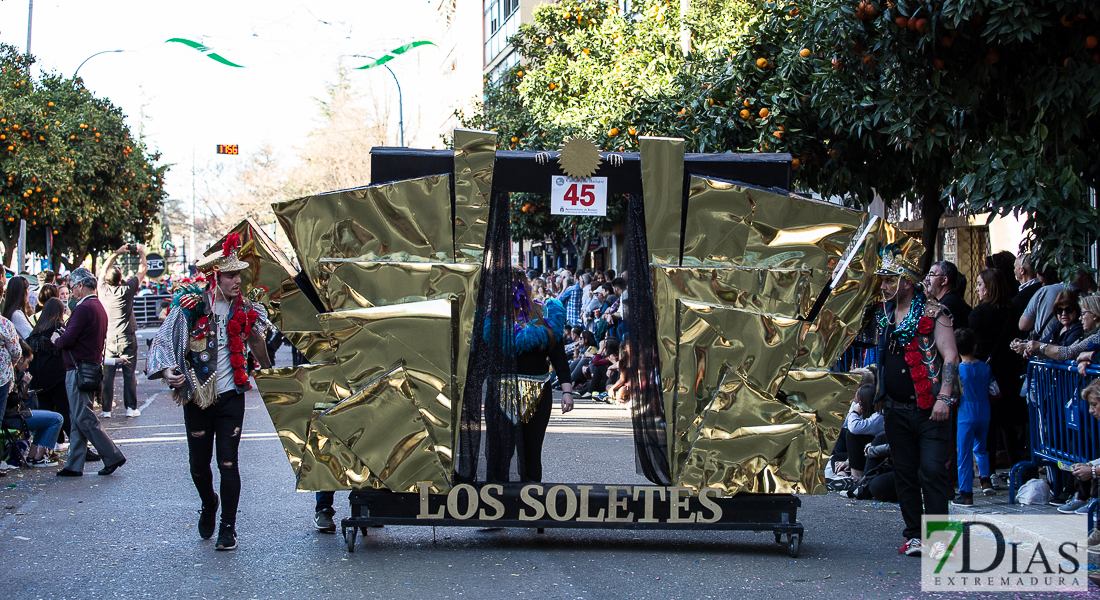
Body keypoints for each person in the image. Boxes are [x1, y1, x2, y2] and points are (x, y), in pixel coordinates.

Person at [147, 233, 271, 551]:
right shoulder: (191, 306)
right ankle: (209, 502)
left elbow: (258, 345)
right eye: (231, 275)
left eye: (239, 274)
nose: (237, 280)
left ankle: (228, 528)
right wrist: (167, 371)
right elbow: (163, 339)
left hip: (232, 396)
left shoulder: (247, 309)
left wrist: (270, 372)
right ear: (216, 277)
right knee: (199, 466)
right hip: (198, 398)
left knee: (228, 463)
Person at [875, 246, 959, 557]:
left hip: (930, 409)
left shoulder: (935, 313)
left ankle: (939, 539)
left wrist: (944, 398)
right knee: (905, 473)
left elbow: (951, 356)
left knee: (932, 471)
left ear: (907, 282)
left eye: (888, 280)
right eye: (882, 280)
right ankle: (913, 534)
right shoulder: (885, 315)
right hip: (895, 409)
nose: (882, 285)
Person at [51, 267, 127, 478]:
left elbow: (67, 340)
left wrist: (56, 339)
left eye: (72, 287)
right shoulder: (97, 306)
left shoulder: (84, 308)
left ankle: (112, 455)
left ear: (80, 286)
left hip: (78, 369)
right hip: (88, 367)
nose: (72, 292)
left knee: (83, 417)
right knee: (77, 417)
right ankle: (74, 465)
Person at [968, 268, 1026, 473]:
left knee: (987, 425)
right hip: (1009, 372)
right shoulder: (1014, 310)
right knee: (1008, 425)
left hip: (986, 374)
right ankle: (1017, 468)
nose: (977, 290)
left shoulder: (980, 313)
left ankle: (988, 472)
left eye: (980, 285)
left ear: (989, 287)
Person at [97, 243, 148, 418]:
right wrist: (141, 252)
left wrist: (116, 253)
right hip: (127, 337)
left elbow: (103, 269)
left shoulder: (102, 290)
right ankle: (130, 407)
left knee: (108, 375)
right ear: (120, 279)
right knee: (129, 374)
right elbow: (142, 270)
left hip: (108, 338)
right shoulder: (127, 290)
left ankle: (106, 410)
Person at [952, 328, 999, 506]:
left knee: (964, 454)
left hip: (965, 414)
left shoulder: (957, 371)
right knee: (982, 447)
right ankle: (986, 480)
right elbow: (995, 390)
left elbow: (954, 394)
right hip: (984, 412)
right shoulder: (986, 367)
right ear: (975, 346)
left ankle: (966, 493)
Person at [5, 341, 64, 467]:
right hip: (14, 416)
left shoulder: (8, 371)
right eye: (28, 362)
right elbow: (13, 399)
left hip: (12, 415)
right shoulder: (10, 373)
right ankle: (40, 457)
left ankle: (34, 456)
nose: (27, 367)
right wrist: (24, 383)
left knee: (50, 418)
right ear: (20, 359)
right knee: (57, 418)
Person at [26, 299, 70, 449]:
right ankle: (79, 446)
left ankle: (50, 445)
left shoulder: (35, 331)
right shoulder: (57, 329)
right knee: (65, 411)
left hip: (38, 380)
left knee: (47, 412)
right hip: (57, 377)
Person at [924, 261, 970, 329]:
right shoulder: (948, 299)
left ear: (944, 280)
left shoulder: (948, 304)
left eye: (931, 275)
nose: (927, 278)